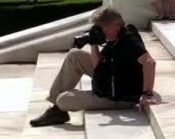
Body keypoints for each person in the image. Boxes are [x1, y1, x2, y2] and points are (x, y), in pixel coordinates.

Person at [30, 7, 159, 127]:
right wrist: (93, 44)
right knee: (74, 55)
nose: (101, 32)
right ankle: (55, 110)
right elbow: (98, 67)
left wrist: (147, 94)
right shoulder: (114, 39)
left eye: (102, 28)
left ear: (115, 25)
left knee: (63, 99)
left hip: (121, 97)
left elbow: (149, 63)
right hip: (111, 79)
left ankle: (58, 107)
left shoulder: (129, 40)